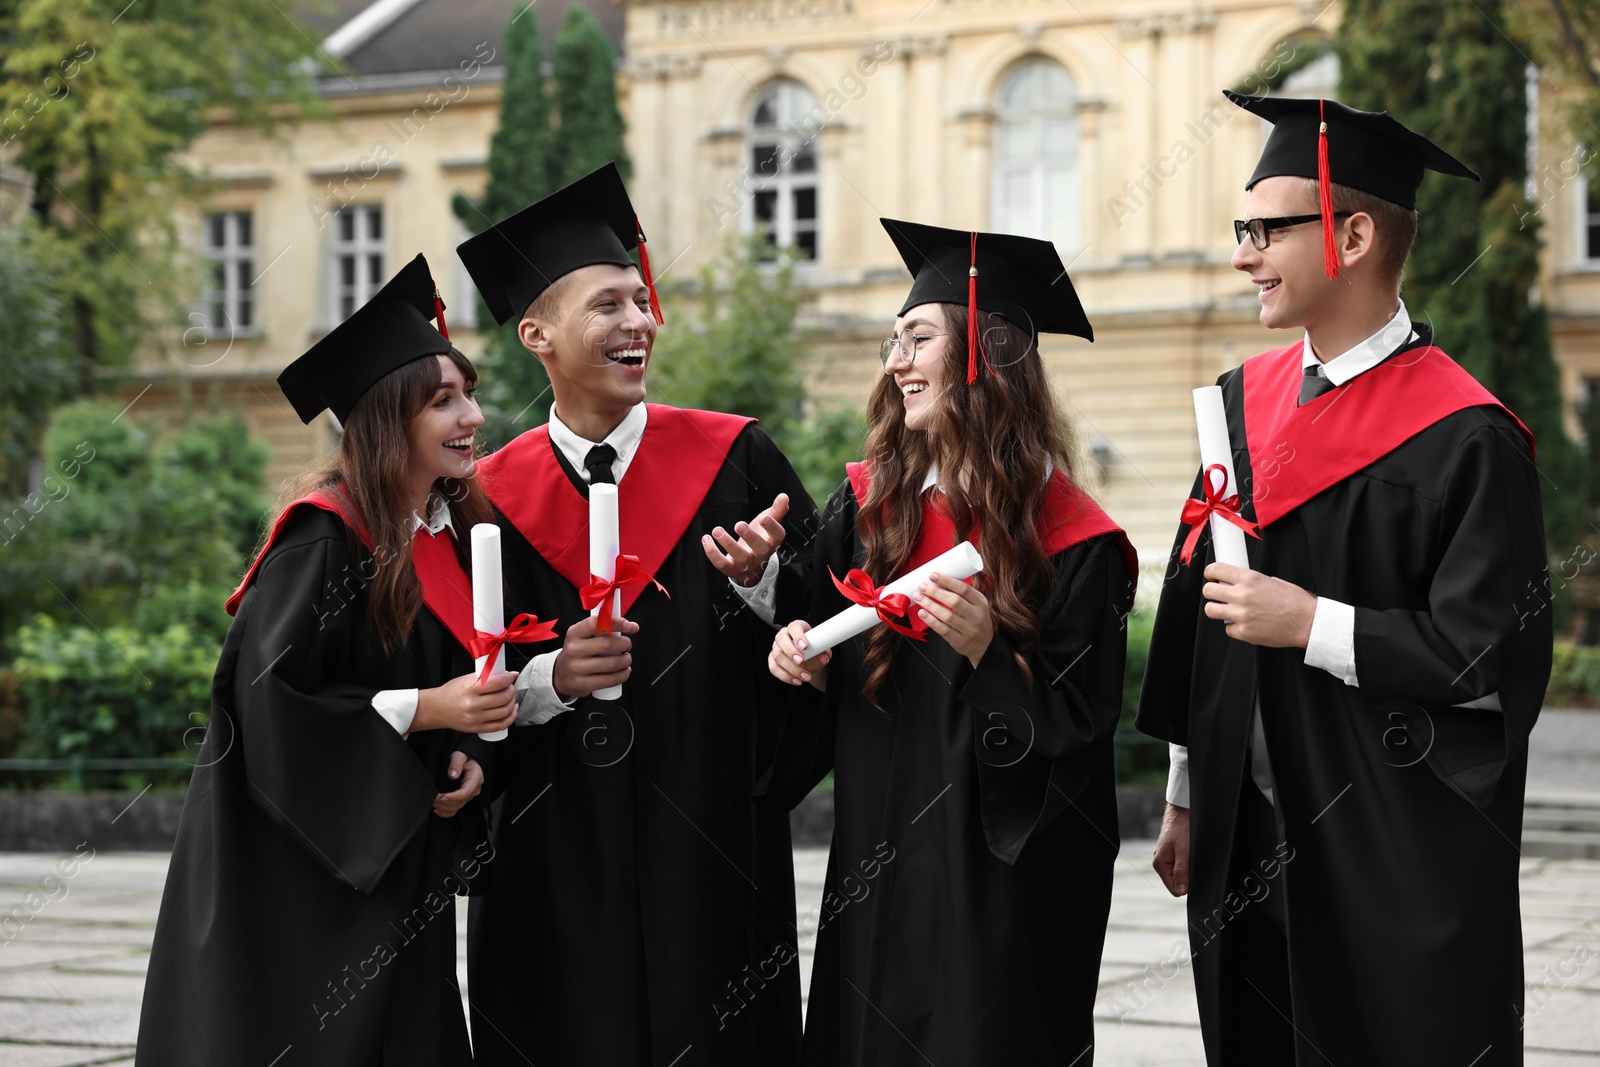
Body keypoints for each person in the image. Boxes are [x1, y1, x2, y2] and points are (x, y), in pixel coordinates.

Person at [1137, 92, 1551, 1066]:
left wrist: (1311, 621)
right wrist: (1189, 787)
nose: (1241, 254)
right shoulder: (1239, 407)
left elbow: (1488, 661)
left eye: (1262, 230)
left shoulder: (1465, 436)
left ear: (1353, 234)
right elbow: (1205, 610)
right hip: (1247, 837)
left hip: (1385, 842)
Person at [456, 162, 817, 1066]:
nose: (638, 323)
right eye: (608, 305)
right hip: (552, 849)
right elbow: (453, 679)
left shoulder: (737, 458)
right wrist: (546, 680)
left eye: (639, 300)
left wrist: (765, 589)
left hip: (712, 838)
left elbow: (827, 635)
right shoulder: (485, 499)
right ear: (535, 333)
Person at [762, 219, 1137, 1066]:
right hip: (874, 857)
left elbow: (1081, 729)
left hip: (993, 881)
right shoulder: (865, 509)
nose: (895, 359)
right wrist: (795, 652)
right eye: (892, 339)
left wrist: (987, 657)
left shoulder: (1074, 541)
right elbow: (809, 644)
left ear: (983, 355)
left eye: (918, 337)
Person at [136, 255, 520, 1066]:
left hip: (387, 855)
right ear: (386, 417)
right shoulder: (325, 536)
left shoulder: (439, 537)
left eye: (470, 393)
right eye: (443, 400)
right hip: (297, 867)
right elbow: (273, 702)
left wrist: (469, 752)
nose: (473, 416)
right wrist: (433, 710)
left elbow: (455, 684)